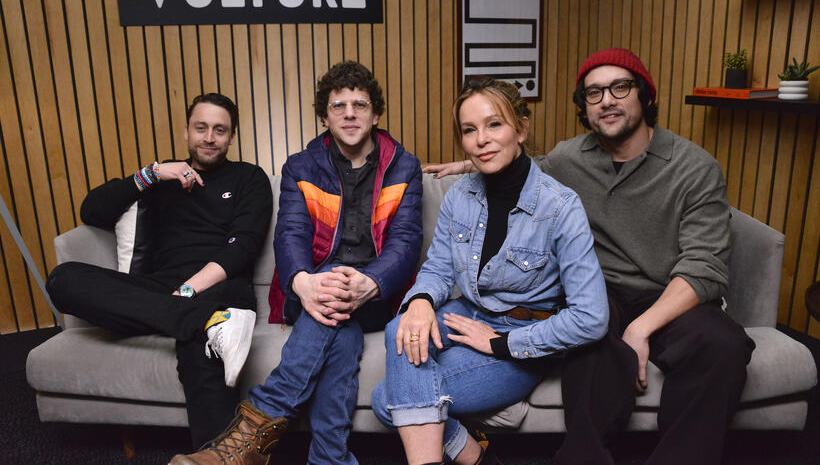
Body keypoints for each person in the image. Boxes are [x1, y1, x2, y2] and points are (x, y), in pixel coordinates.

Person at [425, 48, 756, 465]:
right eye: (594, 93)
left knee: (723, 346)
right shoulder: (571, 156)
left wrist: (640, 329)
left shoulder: (694, 166)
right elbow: (522, 166)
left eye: (620, 87)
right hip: (600, 291)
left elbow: (704, 266)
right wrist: (470, 162)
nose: (607, 101)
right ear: (585, 106)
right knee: (588, 342)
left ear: (645, 95)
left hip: (673, 295)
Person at [172, 61, 423, 465]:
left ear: (376, 114)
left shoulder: (404, 166)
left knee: (335, 314)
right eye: (338, 105)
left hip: (376, 295)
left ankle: (251, 435)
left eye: (360, 105)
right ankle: (330, 459)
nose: (349, 114)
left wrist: (370, 282)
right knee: (340, 332)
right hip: (313, 292)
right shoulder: (301, 166)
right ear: (324, 115)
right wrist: (304, 282)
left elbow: (406, 242)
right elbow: (290, 235)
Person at [372, 76, 608, 465]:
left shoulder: (560, 207)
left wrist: (501, 343)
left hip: (520, 335)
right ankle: (471, 454)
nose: (481, 139)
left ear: (521, 127)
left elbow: (592, 317)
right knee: (402, 326)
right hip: (467, 314)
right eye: (469, 130)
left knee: (388, 399)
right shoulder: (460, 194)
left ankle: (472, 455)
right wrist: (420, 300)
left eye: (494, 124)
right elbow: (438, 268)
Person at [47, 93, 272, 448]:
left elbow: (244, 246)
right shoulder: (162, 177)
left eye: (219, 130)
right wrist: (149, 174)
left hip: (220, 285)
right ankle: (204, 322)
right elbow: (92, 212)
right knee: (63, 279)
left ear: (231, 137)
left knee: (201, 347)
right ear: (186, 132)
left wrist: (188, 292)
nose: (209, 137)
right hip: (161, 289)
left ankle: (214, 454)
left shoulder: (249, 178)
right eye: (201, 128)